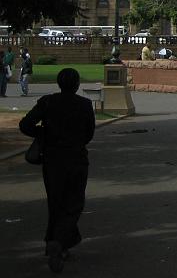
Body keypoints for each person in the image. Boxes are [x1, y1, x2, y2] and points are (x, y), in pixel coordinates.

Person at [19, 68, 95, 273]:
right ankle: (58, 243)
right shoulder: (85, 105)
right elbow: (89, 134)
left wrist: (44, 134)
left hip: (53, 160)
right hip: (76, 159)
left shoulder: (47, 102)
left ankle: (54, 242)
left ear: (58, 83)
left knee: (56, 202)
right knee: (74, 203)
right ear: (77, 85)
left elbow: (25, 125)